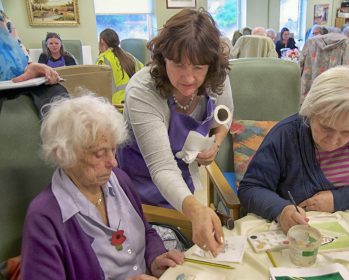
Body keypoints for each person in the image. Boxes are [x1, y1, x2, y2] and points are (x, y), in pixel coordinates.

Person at [21, 95, 184, 279]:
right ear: (65, 155)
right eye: (99, 154)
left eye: (113, 150)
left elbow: (145, 231)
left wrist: (156, 258)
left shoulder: (120, 181)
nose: (113, 162)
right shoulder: (44, 217)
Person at [117, 9, 233, 256]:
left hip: (183, 191)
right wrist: (196, 210)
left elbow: (225, 117)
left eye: (198, 68)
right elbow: (161, 167)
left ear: (210, 66)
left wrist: (216, 143)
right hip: (139, 195)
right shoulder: (143, 90)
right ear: (162, 59)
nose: (189, 78)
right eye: (178, 64)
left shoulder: (215, 77)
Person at [238, 66, 349, 233]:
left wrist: (337, 200)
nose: (334, 141)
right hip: (300, 235)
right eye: (326, 127)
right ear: (310, 111)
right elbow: (250, 189)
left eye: (347, 131)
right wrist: (282, 210)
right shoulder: (284, 135)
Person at [0, 26, 67, 116]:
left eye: (56, 43)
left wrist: (31, 66)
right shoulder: (44, 56)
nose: (54, 46)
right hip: (10, 87)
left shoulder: (68, 57)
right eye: (51, 43)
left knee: (58, 91)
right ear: (46, 45)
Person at [97, 28, 143, 106]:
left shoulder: (102, 59)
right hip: (137, 102)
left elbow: (98, 88)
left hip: (115, 107)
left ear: (102, 41)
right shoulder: (131, 57)